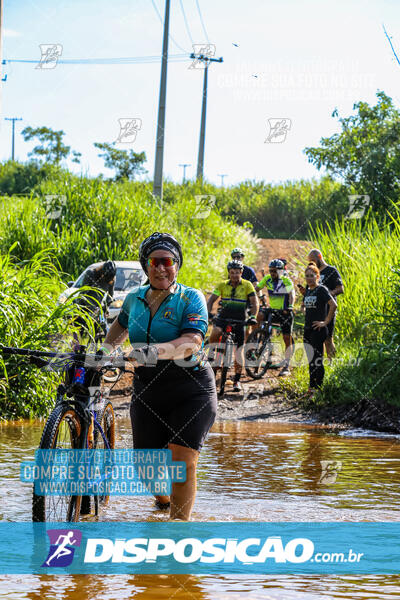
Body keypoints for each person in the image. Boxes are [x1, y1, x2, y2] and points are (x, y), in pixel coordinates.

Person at [101, 232, 217, 521]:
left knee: (183, 461)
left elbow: (191, 342)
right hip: (149, 389)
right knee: (146, 469)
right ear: (146, 265)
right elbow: (117, 331)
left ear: (176, 265)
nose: (161, 268)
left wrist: (149, 352)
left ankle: (177, 533)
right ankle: (165, 502)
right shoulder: (134, 299)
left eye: (167, 261)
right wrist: (102, 352)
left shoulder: (190, 298)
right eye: (155, 262)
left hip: (191, 389)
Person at [207, 260, 258, 393]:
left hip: (240, 320)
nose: (234, 275)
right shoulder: (222, 285)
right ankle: (212, 355)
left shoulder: (247, 285)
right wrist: (208, 313)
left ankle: (236, 380)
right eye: (232, 273)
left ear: (241, 272)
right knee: (215, 332)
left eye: (237, 272)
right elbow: (211, 299)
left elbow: (254, 302)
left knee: (239, 351)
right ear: (228, 273)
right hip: (223, 318)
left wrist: (253, 317)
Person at [299, 249, 344, 359]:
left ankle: (331, 364)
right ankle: (319, 364)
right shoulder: (312, 272)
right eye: (310, 261)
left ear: (319, 256)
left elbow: (340, 288)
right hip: (314, 311)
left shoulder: (331, 270)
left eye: (313, 260)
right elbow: (309, 289)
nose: (312, 263)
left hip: (328, 309)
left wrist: (326, 296)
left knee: (328, 339)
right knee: (316, 340)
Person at [255, 259, 295, 376]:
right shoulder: (268, 279)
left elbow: (291, 294)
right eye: (271, 271)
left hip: (284, 312)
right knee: (259, 315)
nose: (273, 273)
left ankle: (287, 366)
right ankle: (259, 336)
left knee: (287, 338)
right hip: (272, 310)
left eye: (275, 271)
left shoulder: (286, 280)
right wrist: (252, 296)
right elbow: (257, 288)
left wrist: (291, 306)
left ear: (281, 271)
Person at [302, 262, 337, 393]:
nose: (309, 278)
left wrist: (325, 322)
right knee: (310, 360)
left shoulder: (322, 289)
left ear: (317, 276)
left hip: (319, 329)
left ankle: (318, 389)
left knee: (317, 360)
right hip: (308, 329)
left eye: (312, 276)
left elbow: (333, 305)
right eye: (307, 276)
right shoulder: (308, 291)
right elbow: (306, 306)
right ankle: (311, 388)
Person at [74, 260, 117, 341]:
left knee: (101, 328)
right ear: (101, 272)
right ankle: (77, 346)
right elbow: (83, 293)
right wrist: (91, 308)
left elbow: (110, 296)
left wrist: (106, 308)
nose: (106, 280)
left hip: (97, 307)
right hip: (84, 305)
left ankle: (98, 346)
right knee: (80, 329)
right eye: (105, 277)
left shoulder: (111, 279)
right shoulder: (91, 274)